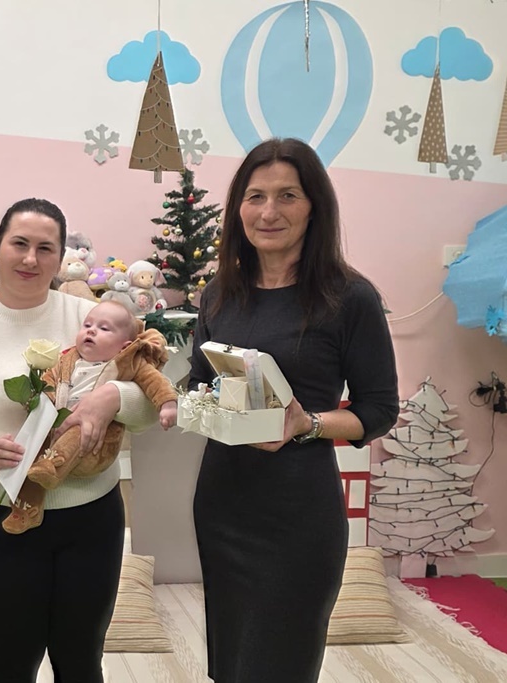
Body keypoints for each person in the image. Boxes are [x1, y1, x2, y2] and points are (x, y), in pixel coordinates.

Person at [0, 198, 159, 682]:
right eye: (19, 244)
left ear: (61, 257)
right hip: (4, 518)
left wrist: (112, 397)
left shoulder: (94, 317)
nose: (30, 259)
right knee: (11, 661)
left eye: (45, 248)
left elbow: (151, 403)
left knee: (81, 660)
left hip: (91, 518)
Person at [188, 138, 399, 683]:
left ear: (314, 207)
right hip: (223, 503)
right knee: (231, 665)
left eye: (288, 196)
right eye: (255, 196)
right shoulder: (219, 294)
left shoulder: (349, 298)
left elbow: (379, 409)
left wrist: (309, 424)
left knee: (280, 665)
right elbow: (201, 382)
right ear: (238, 208)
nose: (269, 212)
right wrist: (186, 405)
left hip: (298, 515)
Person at [5, 301, 179, 534]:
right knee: (35, 446)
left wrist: (167, 404)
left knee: (80, 427)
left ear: (125, 346)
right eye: (87, 325)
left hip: (94, 443)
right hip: (57, 428)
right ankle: (25, 511)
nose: (91, 331)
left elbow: (155, 382)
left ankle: (54, 468)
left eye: (104, 328)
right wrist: (40, 399)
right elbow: (50, 378)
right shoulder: (69, 359)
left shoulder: (129, 362)